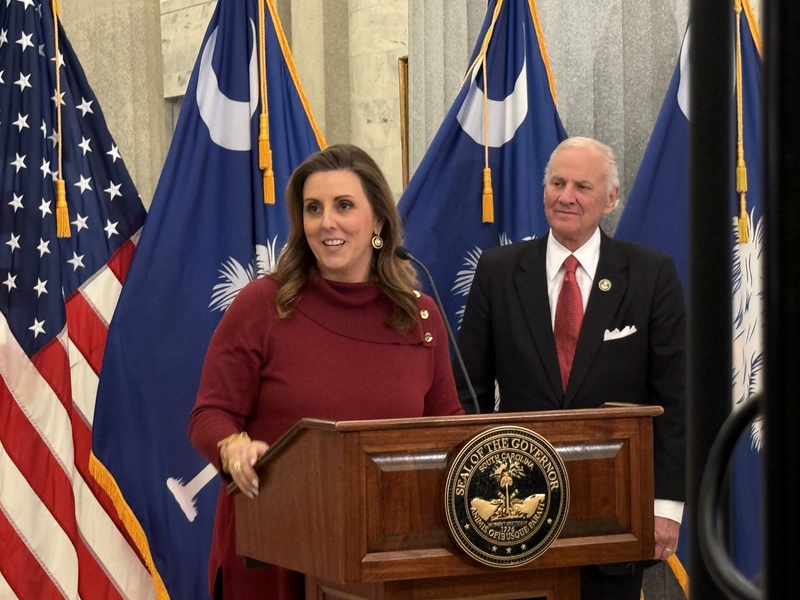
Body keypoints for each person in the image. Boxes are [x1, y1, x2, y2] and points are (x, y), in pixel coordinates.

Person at [189, 144, 464, 600]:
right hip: (275, 547)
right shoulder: (263, 304)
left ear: (378, 222)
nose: (326, 223)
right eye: (313, 209)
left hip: (385, 553)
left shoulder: (421, 316)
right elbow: (210, 412)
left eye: (344, 206)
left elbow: (447, 423)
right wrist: (233, 446)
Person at [455, 136, 685, 600]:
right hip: (513, 508)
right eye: (557, 182)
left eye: (582, 185)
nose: (567, 196)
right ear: (543, 191)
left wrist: (665, 506)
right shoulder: (499, 271)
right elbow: (469, 393)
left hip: (614, 509)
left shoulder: (649, 274)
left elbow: (675, 400)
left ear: (610, 198)